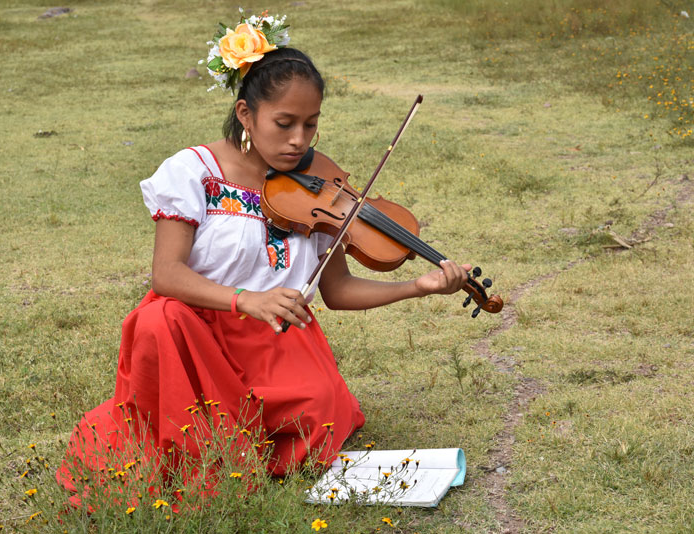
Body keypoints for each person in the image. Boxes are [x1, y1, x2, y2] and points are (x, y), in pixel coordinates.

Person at [56, 12, 469, 497]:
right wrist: (245, 299)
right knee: (157, 320)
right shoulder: (194, 172)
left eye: (311, 124)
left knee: (318, 410)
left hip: (273, 340)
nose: (299, 140)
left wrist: (416, 287)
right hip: (192, 339)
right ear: (245, 114)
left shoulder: (319, 189)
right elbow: (166, 275)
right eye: (284, 123)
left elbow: (336, 291)